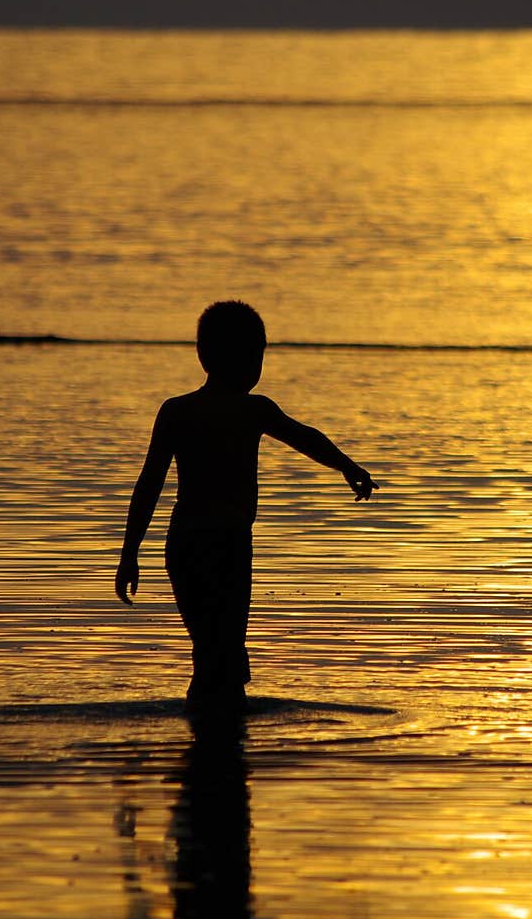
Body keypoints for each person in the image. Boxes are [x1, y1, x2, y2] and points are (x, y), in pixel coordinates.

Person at [114, 300, 378, 714]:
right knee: (223, 648)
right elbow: (305, 437)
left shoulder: (178, 411)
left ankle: (210, 741)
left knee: (212, 646)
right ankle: (218, 743)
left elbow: (148, 486)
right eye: (257, 357)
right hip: (227, 546)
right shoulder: (250, 409)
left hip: (182, 544)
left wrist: (130, 554)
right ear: (246, 360)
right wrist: (348, 467)